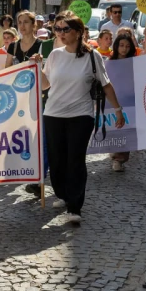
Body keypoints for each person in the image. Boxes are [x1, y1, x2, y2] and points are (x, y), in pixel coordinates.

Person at [32, 15, 125, 224]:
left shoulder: (92, 57)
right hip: (53, 114)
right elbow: (45, 85)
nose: (61, 33)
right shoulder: (55, 55)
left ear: (78, 31)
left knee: (75, 160)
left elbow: (106, 85)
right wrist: (38, 68)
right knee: (57, 161)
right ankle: (63, 194)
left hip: (81, 115)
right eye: (57, 29)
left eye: (65, 29)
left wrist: (118, 110)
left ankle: (75, 206)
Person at [108, 34, 138, 172]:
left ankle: (120, 159)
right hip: (113, 102)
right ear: (116, 46)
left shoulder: (135, 62)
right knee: (114, 129)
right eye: (121, 45)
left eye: (127, 46)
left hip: (130, 102)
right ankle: (114, 152)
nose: (124, 49)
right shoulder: (109, 62)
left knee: (127, 130)